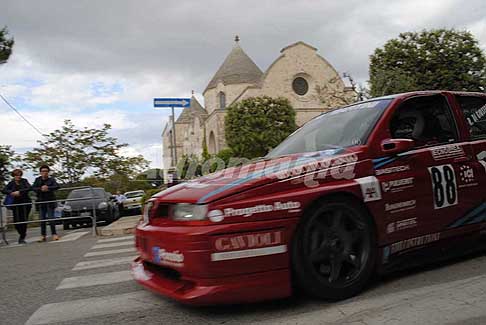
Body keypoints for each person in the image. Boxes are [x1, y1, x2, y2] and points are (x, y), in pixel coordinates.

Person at [1, 169, 32, 244]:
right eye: (16, 175)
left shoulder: (24, 181)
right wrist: (11, 192)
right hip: (16, 204)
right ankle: (21, 234)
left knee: (23, 220)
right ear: (13, 176)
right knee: (16, 222)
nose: (18, 176)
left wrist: (20, 192)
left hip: (25, 203)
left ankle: (22, 237)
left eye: (19, 175)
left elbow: (29, 188)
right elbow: (4, 190)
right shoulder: (11, 183)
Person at [32, 165, 60, 241]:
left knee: (51, 219)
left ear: (48, 172)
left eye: (46, 171)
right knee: (42, 219)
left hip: (50, 201)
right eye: (43, 171)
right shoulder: (37, 180)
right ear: (40, 172)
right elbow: (33, 188)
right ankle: (43, 235)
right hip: (41, 201)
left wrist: (48, 188)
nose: (44, 173)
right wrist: (41, 188)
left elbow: (57, 186)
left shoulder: (51, 179)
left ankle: (54, 234)